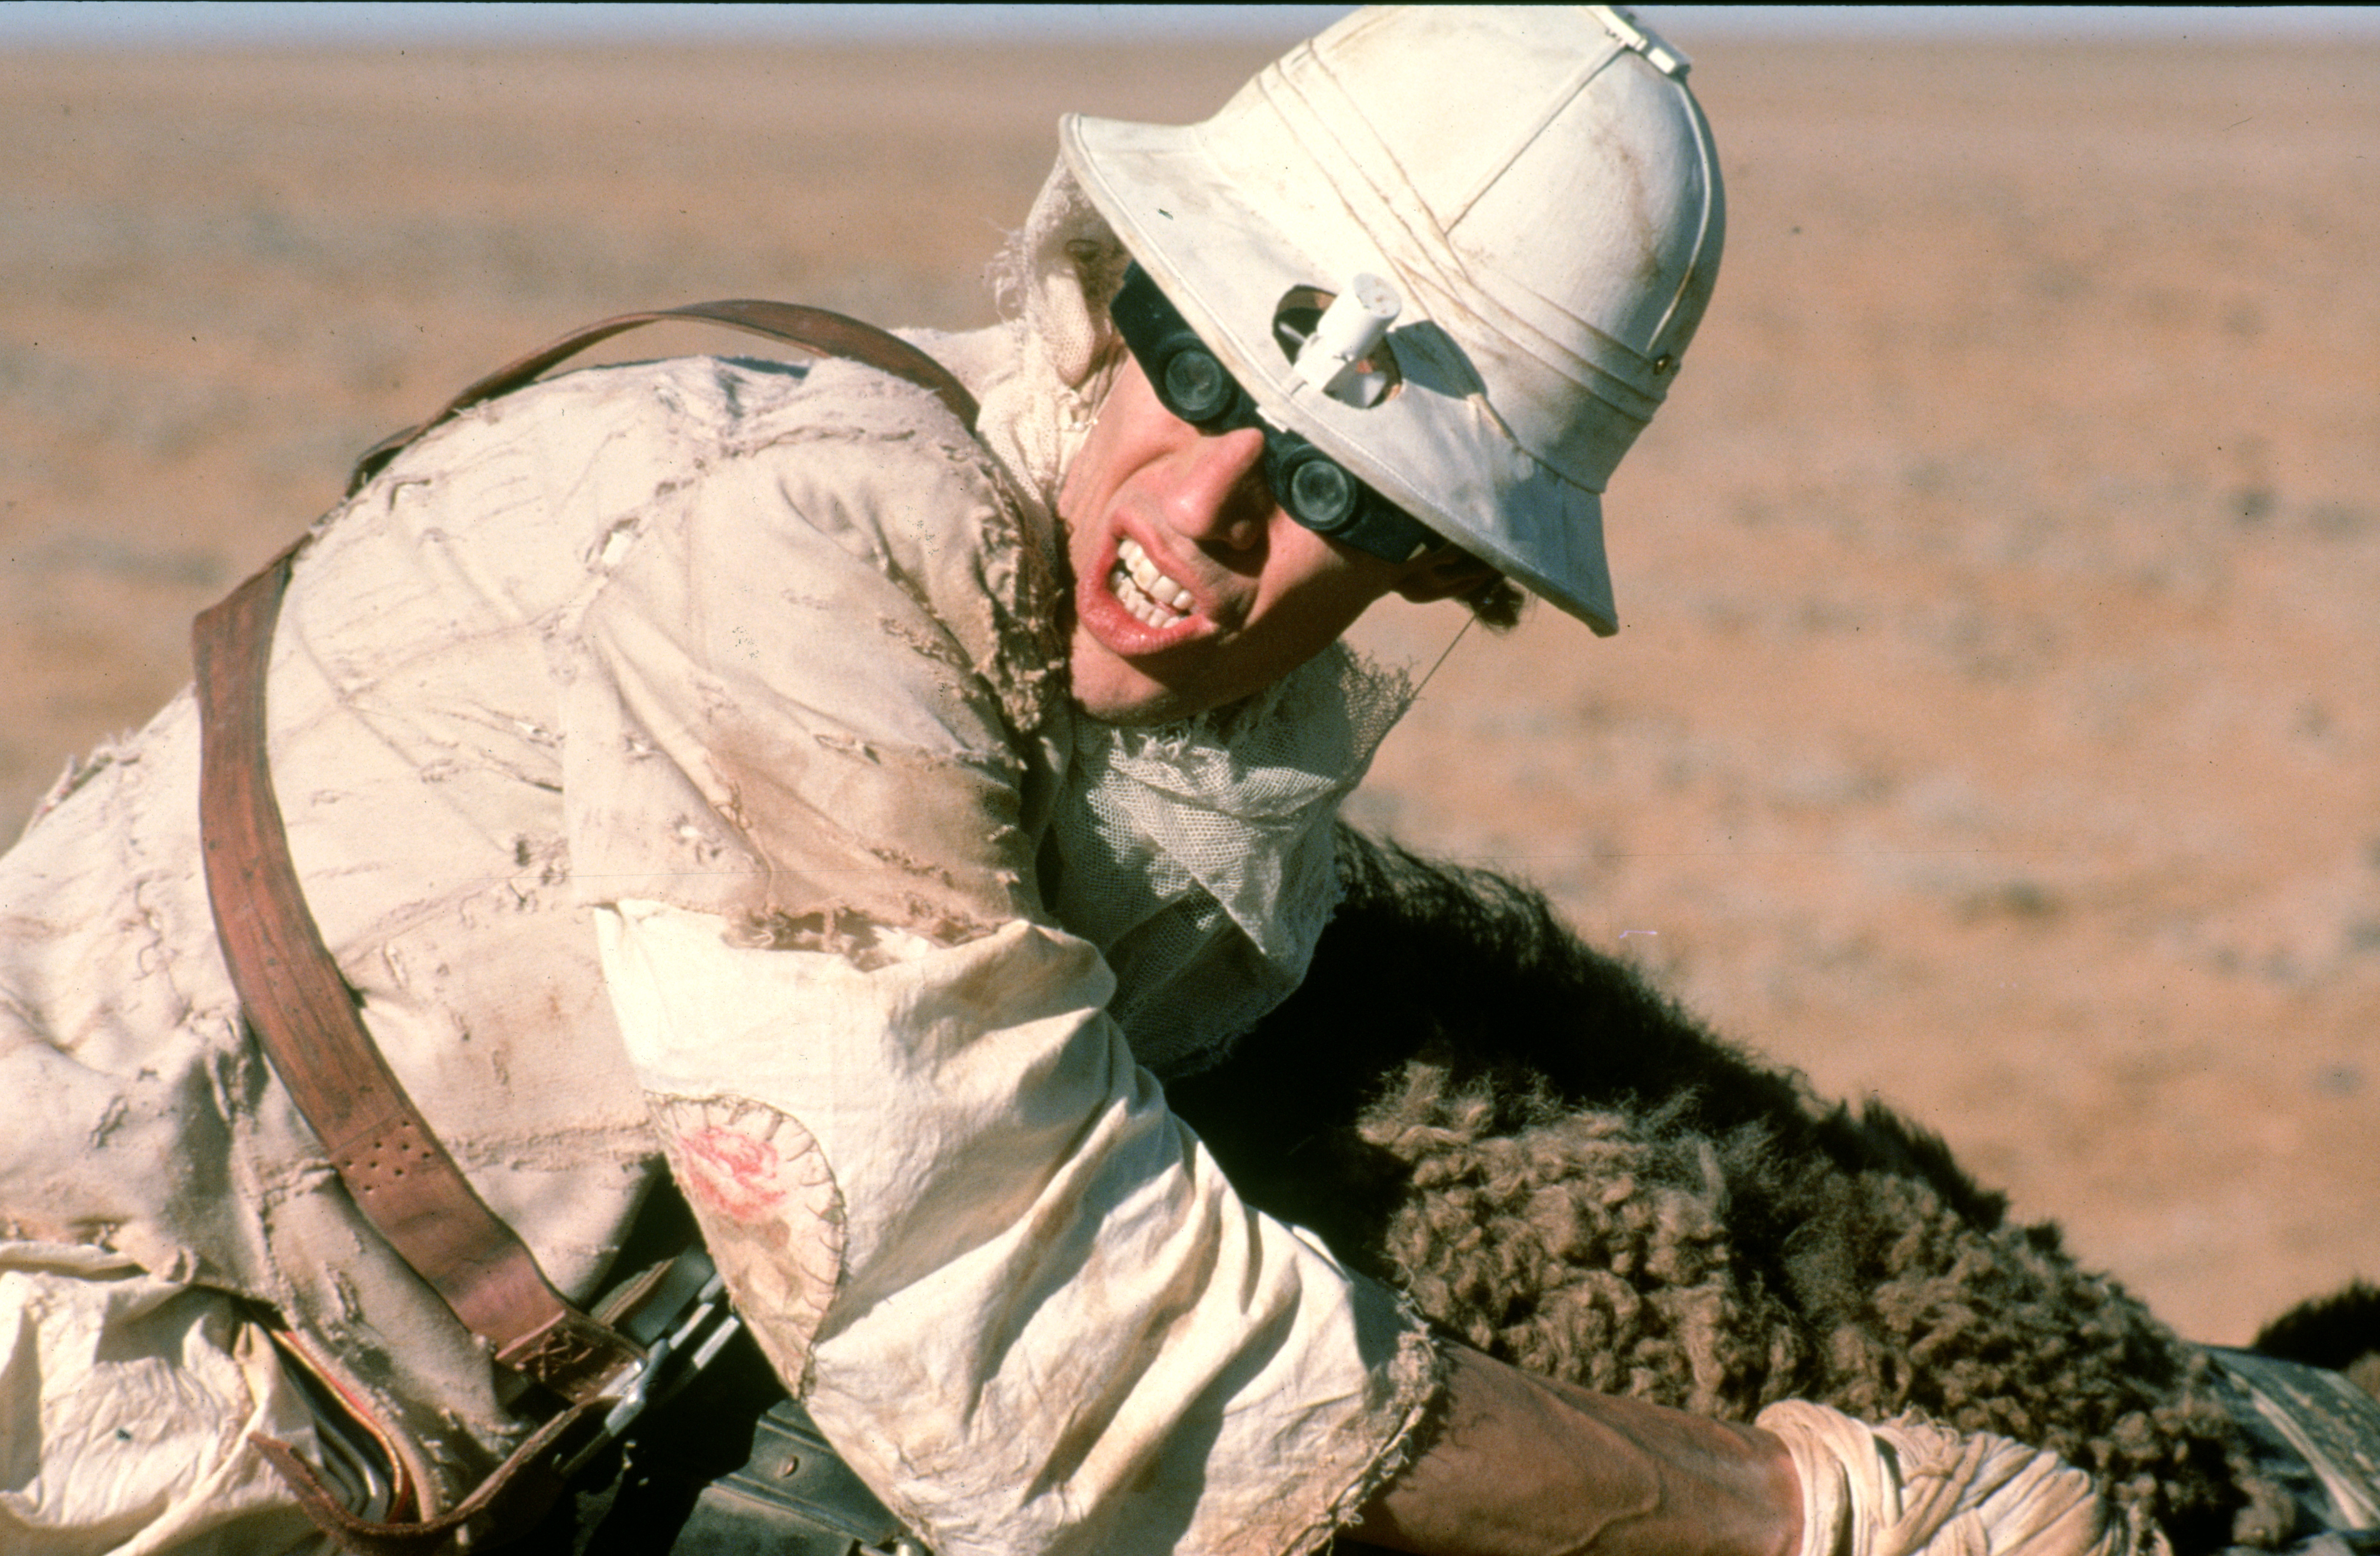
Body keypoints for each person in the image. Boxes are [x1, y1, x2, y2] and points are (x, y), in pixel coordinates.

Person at [0, 8, 2143, 1556]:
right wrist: (1799, 1507)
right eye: (1204, 363)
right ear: (1112, 299)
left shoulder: (1141, 730)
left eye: (1333, 481)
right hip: (88, 1416)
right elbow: (1027, 1358)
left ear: (1442, 573)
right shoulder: (822, 536)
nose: (1213, 503)